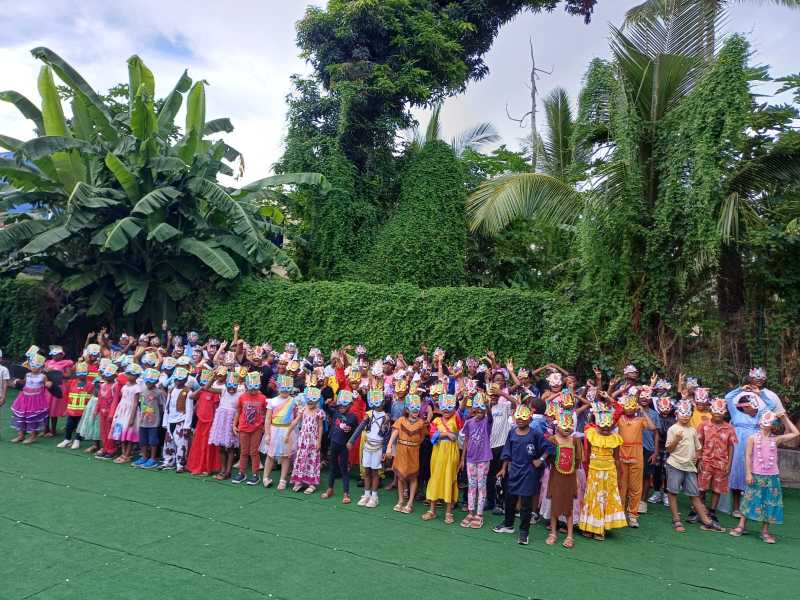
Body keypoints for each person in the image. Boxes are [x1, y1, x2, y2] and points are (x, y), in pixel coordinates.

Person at [729, 411, 799, 543]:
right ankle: (741, 526)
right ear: (759, 422)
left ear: (772, 425)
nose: (765, 424)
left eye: (769, 422)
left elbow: (796, 433)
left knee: (770, 502)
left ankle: (765, 531)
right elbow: (748, 456)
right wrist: (748, 473)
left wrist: (784, 418)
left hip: (772, 477)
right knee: (749, 499)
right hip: (756, 475)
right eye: (763, 421)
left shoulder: (775, 439)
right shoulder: (753, 438)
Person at [492, 405, 551, 545]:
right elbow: (507, 452)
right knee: (510, 500)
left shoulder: (535, 433)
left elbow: (549, 448)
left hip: (529, 473)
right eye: (518, 418)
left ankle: (524, 532)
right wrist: (503, 469)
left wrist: (540, 460)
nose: (520, 420)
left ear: (529, 419)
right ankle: (508, 524)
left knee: (525, 504)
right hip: (514, 471)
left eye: (523, 418)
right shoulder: (512, 432)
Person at [665, 401, 726, 533]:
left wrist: (697, 457)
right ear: (676, 414)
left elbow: (698, 448)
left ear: (691, 415)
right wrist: (676, 439)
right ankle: (676, 519)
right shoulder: (672, 429)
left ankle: (706, 521)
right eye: (682, 413)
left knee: (694, 494)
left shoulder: (693, 430)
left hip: (689, 467)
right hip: (675, 465)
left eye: (688, 413)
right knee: (673, 492)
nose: (685, 416)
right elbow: (669, 449)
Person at [578, 408, 627, 540]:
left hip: (609, 474)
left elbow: (617, 458)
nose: (605, 429)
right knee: (592, 499)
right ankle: (589, 526)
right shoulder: (591, 434)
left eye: (608, 427)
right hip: (594, 472)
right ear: (597, 424)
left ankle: (600, 529)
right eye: (602, 427)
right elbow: (588, 455)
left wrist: (619, 476)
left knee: (604, 499)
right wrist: (587, 470)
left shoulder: (615, 438)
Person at [616, 390, 656, 528]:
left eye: (632, 406)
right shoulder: (620, 419)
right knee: (622, 486)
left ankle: (632, 515)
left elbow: (652, 427)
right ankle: (620, 513)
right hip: (622, 456)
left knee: (635, 487)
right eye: (626, 406)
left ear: (635, 407)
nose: (629, 409)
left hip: (636, 456)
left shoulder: (640, 420)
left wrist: (642, 411)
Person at [422, 394, 463, 524]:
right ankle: (432, 510)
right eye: (444, 407)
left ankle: (449, 512)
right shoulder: (436, 420)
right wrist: (446, 434)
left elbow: (461, 410)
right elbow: (432, 435)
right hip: (438, 453)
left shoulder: (456, 417)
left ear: (454, 408)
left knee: (449, 479)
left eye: (449, 407)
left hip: (451, 453)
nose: (446, 410)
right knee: (435, 478)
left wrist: (466, 397)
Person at [696, 398, 737, 525]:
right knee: (701, 487)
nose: (718, 414)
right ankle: (698, 511)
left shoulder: (729, 428)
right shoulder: (704, 425)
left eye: (721, 411)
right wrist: (699, 459)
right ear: (711, 411)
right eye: (715, 411)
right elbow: (699, 442)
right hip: (706, 461)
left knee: (717, 489)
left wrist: (729, 464)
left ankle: (712, 512)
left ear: (725, 413)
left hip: (721, 463)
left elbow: (731, 446)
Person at [546, 409, 583, 548]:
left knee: (569, 506)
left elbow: (577, 460)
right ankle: (553, 533)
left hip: (570, 477)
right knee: (555, 504)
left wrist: (576, 478)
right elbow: (548, 457)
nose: (567, 428)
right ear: (557, 426)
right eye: (564, 425)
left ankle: (569, 535)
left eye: (570, 425)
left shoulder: (575, 441)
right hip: (556, 476)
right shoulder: (552, 440)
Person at [349, 389, 391, 508]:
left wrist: (384, 451)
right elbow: (360, 427)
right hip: (367, 446)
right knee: (366, 471)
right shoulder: (369, 415)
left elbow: (386, 436)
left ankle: (374, 496)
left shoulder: (386, 418)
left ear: (383, 402)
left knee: (375, 472)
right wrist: (351, 440)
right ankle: (366, 494)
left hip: (378, 447)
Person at [385, 394, 427, 514]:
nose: (415, 412)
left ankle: (410, 503)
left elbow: (423, 436)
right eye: (412, 409)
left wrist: (414, 444)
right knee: (400, 476)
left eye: (417, 410)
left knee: (413, 477)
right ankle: (400, 500)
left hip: (414, 451)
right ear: (407, 410)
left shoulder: (421, 423)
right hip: (401, 450)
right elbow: (394, 433)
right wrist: (389, 447)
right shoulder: (401, 420)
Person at [458, 392, 493, 529]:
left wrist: (487, 405)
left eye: (481, 409)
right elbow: (466, 440)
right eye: (477, 408)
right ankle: (471, 512)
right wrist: (463, 458)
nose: (479, 411)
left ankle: (479, 514)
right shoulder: (469, 422)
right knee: (471, 486)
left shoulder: (487, 421)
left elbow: (490, 416)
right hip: (470, 459)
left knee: (481, 486)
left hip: (483, 458)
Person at [261, 374, 299, 489]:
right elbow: (268, 419)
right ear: (278, 388)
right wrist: (267, 434)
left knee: (286, 456)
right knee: (270, 455)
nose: (285, 391)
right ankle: (265, 477)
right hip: (274, 430)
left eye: (288, 389)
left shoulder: (293, 401)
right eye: (283, 388)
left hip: (287, 431)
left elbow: (296, 417)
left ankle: (282, 480)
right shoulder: (272, 401)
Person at [321, 389, 358, 504]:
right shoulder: (335, 413)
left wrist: (350, 433)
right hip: (333, 443)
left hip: (343, 446)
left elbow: (356, 430)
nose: (341, 408)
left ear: (350, 405)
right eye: (340, 405)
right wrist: (326, 403)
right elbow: (325, 408)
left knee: (343, 470)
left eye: (344, 406)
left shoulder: (352, 416)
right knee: (332, 468)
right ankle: (330, 489)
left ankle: (346, 493)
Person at [186, 368, 223, 476]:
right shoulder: (201, 391)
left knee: (207, 446)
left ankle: (208, 468)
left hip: (210, 423)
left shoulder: (214, 392)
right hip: (200, 422)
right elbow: (191, 397)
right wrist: (201, 388)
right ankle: (197, 466)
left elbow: (216, 407)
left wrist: (215, 423)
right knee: (198, 444)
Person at [232, 372, 267, 485]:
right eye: (251, 388)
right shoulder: (242, 397)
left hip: (257, 429)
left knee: (254, 452)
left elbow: (266, 413)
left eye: (255, 388)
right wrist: (234, 425)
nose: (253, 391)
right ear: (247, 386)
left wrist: (264, 426)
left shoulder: (262, 398)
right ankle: (241, 473)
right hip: (243, 428)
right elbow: (238, 412)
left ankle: (255, 475)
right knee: (243, 452)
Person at [289, 386, 326, 494]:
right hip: (303, 439)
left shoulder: (319, 412)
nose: (310, 402)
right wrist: (287, 432)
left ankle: (311, 483)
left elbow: (320, 427)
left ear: (317, 401)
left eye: (313, 401)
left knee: (312, 460)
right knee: (301, 458)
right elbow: (296, 421)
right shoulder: (303, 410)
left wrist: (319, 441)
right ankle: (299, 481)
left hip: (313, 440)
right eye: (308, 400)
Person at [9, 353, 51, 444]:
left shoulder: (43, 376)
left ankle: (32, 437)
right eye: (32, 366)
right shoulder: (27, 374)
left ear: (40, 367)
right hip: (24, 398)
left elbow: (47, 384)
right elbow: (24, 382)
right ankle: (21, 435)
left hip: (35, 400)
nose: (33, 368)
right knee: (21, 416)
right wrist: (18, 381)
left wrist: (49, 384)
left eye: (35, 366)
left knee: (32, 418)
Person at [160, 367, 194, 472]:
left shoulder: (188, 392)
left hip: (181, 420)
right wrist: (165, 421)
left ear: (185, 380)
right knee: (168, 442)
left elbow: (189, 409)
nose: (177, 381)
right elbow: (167, 406)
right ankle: (168, 461)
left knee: (181, 443)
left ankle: (180, 464)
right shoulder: (172, 390)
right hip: (170, 420)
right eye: (176, 379)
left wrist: (187, 425)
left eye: (180, 379)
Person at [209, 371, 241, 480]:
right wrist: (213, 377)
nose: (231, 388)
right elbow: (206, 388)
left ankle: (228, 471)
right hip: (221, 420)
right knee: (221, 446)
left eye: (234, 386)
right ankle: (222, 470)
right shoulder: (222, 390)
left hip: (231, 421)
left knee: (230, 447)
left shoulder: (240, 394)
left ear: (237, 385)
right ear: (226, 384)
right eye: (229, 386)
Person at [57, 361, 93, 449]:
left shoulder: (90, 385)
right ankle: (67, 439)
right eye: (79, 373)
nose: (81, 375)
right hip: (72, 410)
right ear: (76, 373)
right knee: (69, 425)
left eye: (84, 373)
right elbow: (66, 395)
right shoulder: (71, 382)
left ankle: (77, 440)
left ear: (87, 373)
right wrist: (66, 408)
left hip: (83, 411)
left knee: (80, 426)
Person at [133, 368, 165, 469]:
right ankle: (144, 456)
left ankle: (153, 458)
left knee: (153, 440)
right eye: (147, 381)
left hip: (154, 421)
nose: (148, 383)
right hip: (143, 420)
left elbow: (162, 406)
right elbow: (140, 403)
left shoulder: (159, 392)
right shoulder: (142, 390)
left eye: (151, 382)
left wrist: (159, 418)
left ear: (156, 381)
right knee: (143, 440)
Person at [111, 363, 142, 463]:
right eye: (128, 374)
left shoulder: (137, 388)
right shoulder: (124, 386)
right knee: (122, 432)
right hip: (122, 411)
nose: (129, 376)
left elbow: (135, 403)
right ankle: (124, 453)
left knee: (129, 433)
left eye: (132, 374)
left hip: (131, 412)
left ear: (137, 376)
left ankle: (127, 454)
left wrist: (132, 418)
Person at [648, 394, 675, 507]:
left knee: (668, 471)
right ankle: (657, 492)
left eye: (667, 408)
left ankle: (666, 493)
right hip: (658, 447)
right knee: (657, 471)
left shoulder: (674, 420)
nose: (665, 410)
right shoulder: (656, 417)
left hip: (669, 449)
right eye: (662, 408)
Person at [94, 361, 123, 460]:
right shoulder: (102, 385)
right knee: (103, 430)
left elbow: (115, 400)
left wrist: (112, 413)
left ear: (114, 375)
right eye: (105, 374)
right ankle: (105, 447)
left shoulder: (116, 386)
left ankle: (112, 449)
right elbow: (99, 398)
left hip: (110, 412)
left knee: (110, 430)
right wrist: (96, 409)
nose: (106, 376)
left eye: (109, 375)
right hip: (102, 411)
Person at [43, 345, 74, 437]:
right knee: (46, 408)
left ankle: (53, 430)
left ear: (61, 355)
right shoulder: (48, 362)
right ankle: (46, 429)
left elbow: (69, 375)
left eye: (56, 354)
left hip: (57, 388)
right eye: (53, 354)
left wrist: (58, 373)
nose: (54, 356)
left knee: (54, 409)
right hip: (47, 388)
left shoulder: (66, 363)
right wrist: (46, 371)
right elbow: (43, 374)